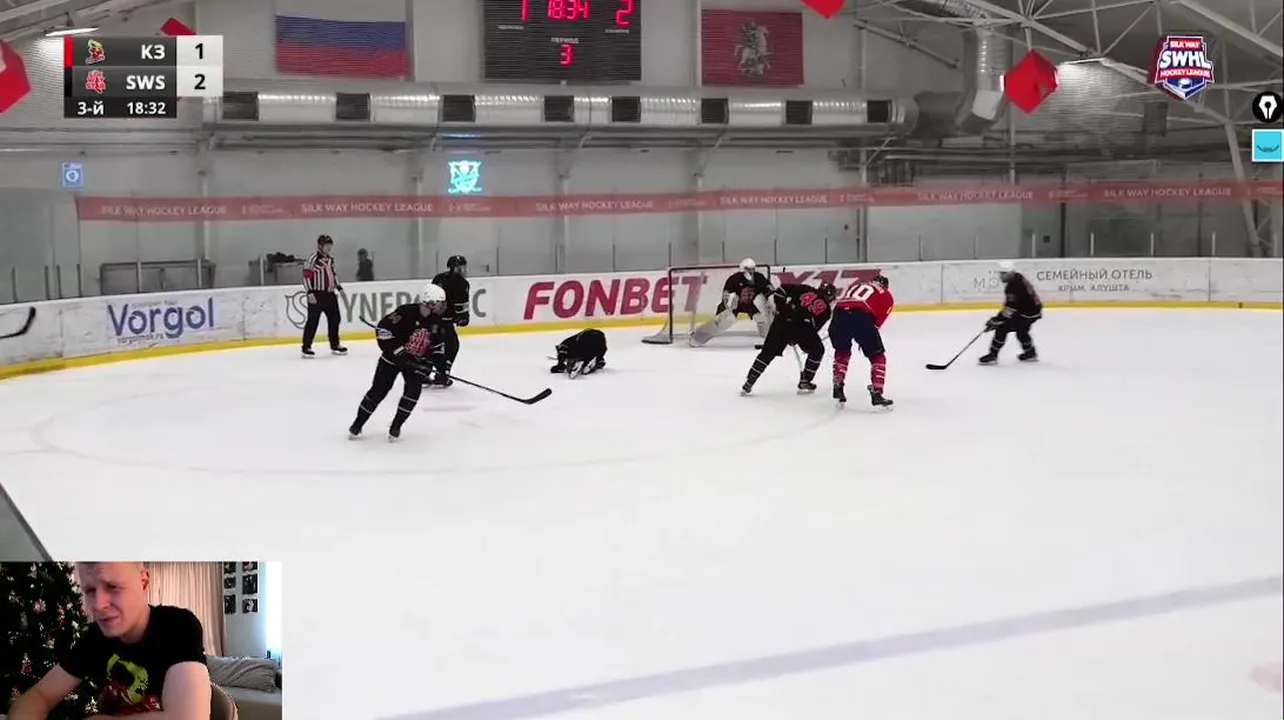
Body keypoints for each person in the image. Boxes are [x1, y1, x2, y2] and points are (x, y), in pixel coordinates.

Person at [5, 562, 211, 720]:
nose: (98, 604)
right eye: (90, 590)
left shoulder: (178, 626)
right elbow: (40, 695)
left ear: (144, 582)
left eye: (113, 587)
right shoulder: (94, 637)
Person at [348, 283, 451, 441]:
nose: (441, 307)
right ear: (428, 302)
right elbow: (383, 331)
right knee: (378, 391)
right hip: (391, 359)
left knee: (412, 393)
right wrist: (398, 352)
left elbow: (437, 347)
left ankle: (396, 427)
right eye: (438, 303)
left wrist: (441, 369)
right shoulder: (405, 312)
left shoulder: (437, 322)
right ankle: (358, 424)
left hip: (414, 363)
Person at [740, 282, 836, 396]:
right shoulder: (826, 310)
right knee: (817, 350)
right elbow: (814, 329)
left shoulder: (805, 288)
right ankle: (806, 380)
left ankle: (749, 381)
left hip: (781, 320)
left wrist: (781, 308)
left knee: (767, 353)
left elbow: (781, 289)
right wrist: (797, 339)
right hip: (802, 325)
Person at [828, 274, 895, 407]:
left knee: (842, 352)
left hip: (838, 314)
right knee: (877, 356)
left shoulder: (857, 285)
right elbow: (876, 324)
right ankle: (877, 392)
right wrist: (864, 335)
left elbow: (846, 303)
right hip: (860, 315)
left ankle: (838, 383)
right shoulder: (886, 294)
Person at [688, 258, 773, 347]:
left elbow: (768, 290)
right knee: (723, 322)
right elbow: (726, 296)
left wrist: (771, 300)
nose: (751, 271)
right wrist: (727, 308)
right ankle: (696, 337)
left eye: (753, 269)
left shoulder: (759, 277)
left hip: (750, 304)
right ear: (743, 269)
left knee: (762, 318)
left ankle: (768, 339)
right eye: (749, 269)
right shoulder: (734, 279)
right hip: (734, 305)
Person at [979, 260, 1042, 364]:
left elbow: (1010, 308)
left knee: (1002, 328)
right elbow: (1013, 306)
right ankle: (1030, 353)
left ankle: (993, 355)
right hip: (1033, 311)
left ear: (1011, 273)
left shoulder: (1013, 286)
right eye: (1001, 273)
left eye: (1004, 273)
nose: (1001, 276)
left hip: (1027, 314)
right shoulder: (1018, 277)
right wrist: (998, 318)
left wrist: (997, 320)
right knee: (1021, 331)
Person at [301, 234, 347, 358]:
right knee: (313, 321)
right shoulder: (313, 258)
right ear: (320, 246)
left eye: (330, 245)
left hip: (330, 294)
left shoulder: (330, 259)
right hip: (317, 294)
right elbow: (306, 276)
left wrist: (339, 288)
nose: (329, 248)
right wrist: (310, 292)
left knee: (335, 319)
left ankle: (335, 344)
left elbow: (333, 274)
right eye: (327, 245)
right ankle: (306, 346)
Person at [430, 255, 471, 388]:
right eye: (462, 267)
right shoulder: (462, 283)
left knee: (432, 344)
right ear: (456, 268)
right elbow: (461, 307)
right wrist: (463, 318)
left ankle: (423, 371)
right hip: (445, 321)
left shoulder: (438, 278)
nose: (464, 270)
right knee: (452, 345)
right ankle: (443, 373)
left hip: (430, 319)